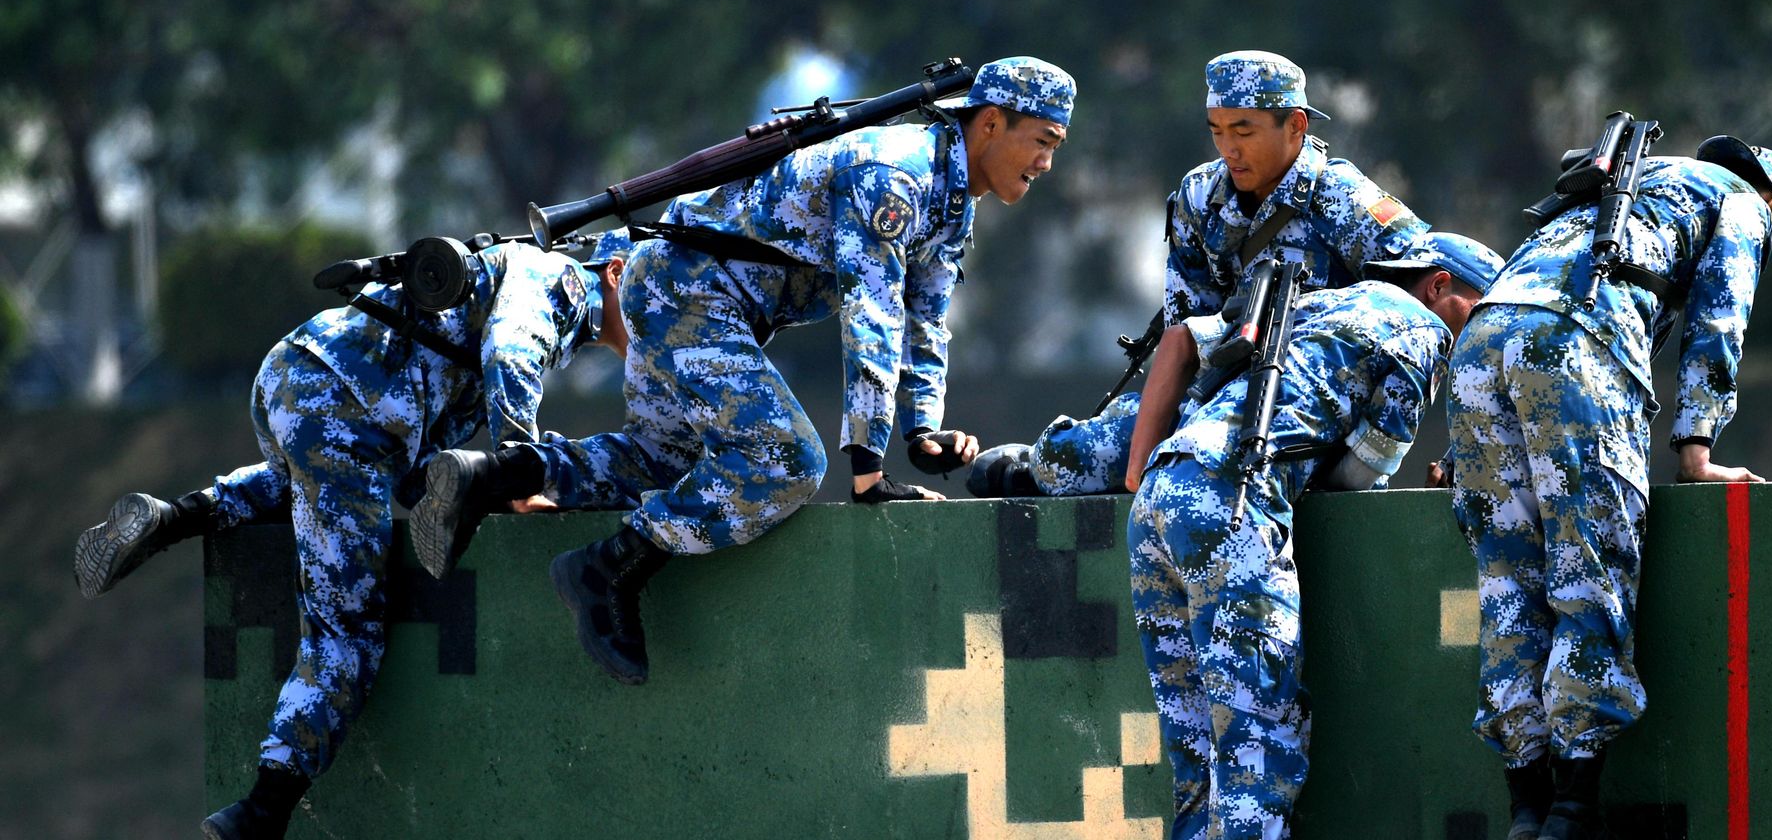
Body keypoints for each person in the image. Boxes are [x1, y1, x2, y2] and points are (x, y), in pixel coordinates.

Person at [409, 57, 1077, 686]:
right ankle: (608, 568)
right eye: (1043, 140)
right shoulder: (896, 174)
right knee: (786, 460)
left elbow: (922, 318)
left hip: (693, 297)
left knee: (663, 460)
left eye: (1058, 146)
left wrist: (921, 431)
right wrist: (870, 471)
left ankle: (488, 474)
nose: (1048, 162)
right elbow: (871, 316)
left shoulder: (952, 198)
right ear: (990, 122)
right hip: (688, 294)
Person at [72, 231, 633, 840]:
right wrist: (519, 465)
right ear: (615, 273)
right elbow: (510, 352)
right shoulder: (563, 281)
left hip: (300, 377)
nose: (659, 312)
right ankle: (258, 814)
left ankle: (168, 517)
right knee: (348, 634)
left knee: (319, 486)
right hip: (348, 412)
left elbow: (418, 445)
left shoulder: (516, 283)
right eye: (650, 291)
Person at [1446, 136, 1772, 840]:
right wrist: (1696, 450)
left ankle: (1526, 805)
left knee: (1507, 586)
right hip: (1572, 343)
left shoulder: (1628, 182)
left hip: (1483, 340)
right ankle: (1573, 808)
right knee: (1588, 577)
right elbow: (1720, 319)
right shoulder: (1741, 204)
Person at [1130, 232, 1504, 840]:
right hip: (1235, 502)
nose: (1476, 340)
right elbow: (1361, 474)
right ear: (1438, 286)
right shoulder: (1423, 333)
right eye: (1476, 312)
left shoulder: (1321, 301)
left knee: (1194, 748)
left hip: (1160, 495)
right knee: (1258, 740)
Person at [968, 49, 1429, 498]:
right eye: (1218, 131)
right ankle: (1041, 465)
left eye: (1244, 131)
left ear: (1295, 125)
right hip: (1219, 401)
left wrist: (1380, 435)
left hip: (1319, 406)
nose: (1230, 148)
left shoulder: (1344, 199)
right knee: (1077, 457)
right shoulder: (1200, 196)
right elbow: (1185, 330)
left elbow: (1430, 300)